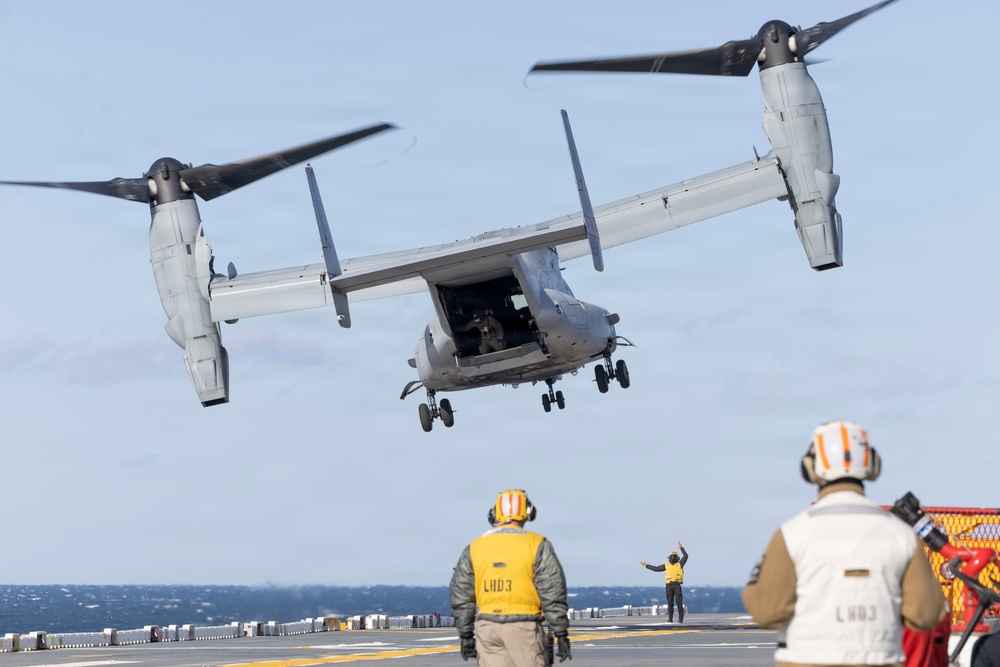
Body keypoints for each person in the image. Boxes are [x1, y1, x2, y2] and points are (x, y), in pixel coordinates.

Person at [742, 419, 945, 666]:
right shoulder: (901, 535)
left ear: (809, 467)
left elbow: (767, 612)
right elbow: (926, 614)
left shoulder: (791, 534)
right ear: (873, 465)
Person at [449, 489, 571, 666]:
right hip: (524, 627)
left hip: (487, 627)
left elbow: (461, 593)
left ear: (496, 513)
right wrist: (561, 633)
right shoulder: (536, 544)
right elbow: (552, 590)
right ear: (528, 512)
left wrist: (466, 634)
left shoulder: (475, 546)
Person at [640, 541, 689, 623]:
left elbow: (686, 556)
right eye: (672, 556)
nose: (673, 558)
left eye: (674, 556)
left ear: (677, 557)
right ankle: (670, 619)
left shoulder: (680, 564)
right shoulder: (666, 565)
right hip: (669, 586)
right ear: (669, 557)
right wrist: (646, 565)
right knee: (670, 603)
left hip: (677, 585)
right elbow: (656, 568)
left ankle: (680, 619)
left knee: (679, 603)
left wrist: (681, 548)